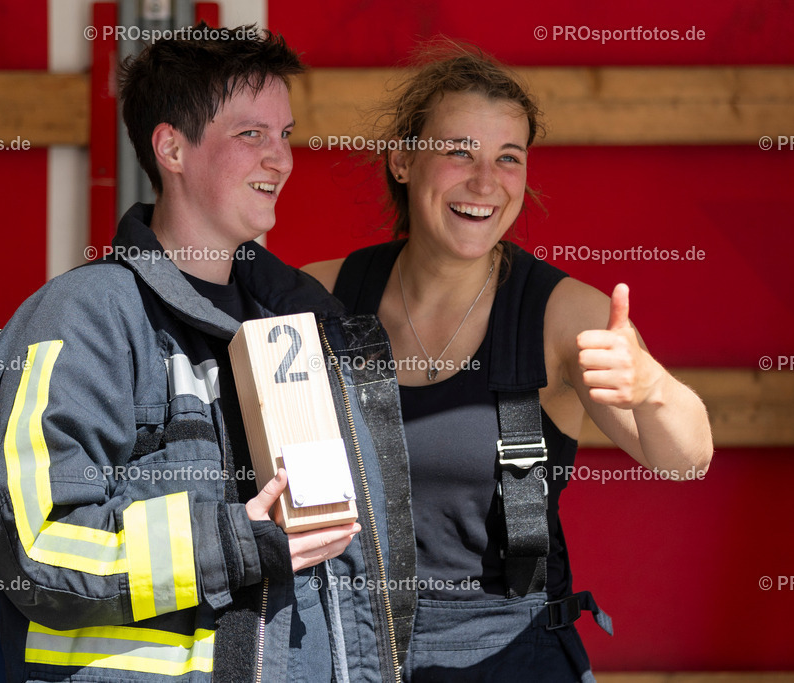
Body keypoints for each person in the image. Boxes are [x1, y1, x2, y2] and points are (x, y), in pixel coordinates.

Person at [0, 27, 416, 682]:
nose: (282, 160)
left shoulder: (301, 320)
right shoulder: (81, 317)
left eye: (285, 134)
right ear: (171, 147)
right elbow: (36, 546)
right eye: (251, 136)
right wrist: (231, 541)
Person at [303, 46, 714, 681]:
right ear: (404, 159)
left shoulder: (563, 314)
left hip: (512, 655)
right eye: (459, 151)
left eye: (508, 159)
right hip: (345, 651)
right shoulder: (317, 299)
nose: (485, 182)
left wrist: (653, 387)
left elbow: (686, 460)